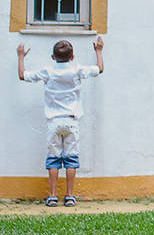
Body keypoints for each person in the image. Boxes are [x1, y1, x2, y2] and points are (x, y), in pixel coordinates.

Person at [17, 36, 105, 206]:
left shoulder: (48, 71)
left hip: (53, 122)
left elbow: (23, 75)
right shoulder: (77, 70)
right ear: (72, 57)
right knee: (71, 159)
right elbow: (99, 69)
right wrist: (99, 51)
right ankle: (70, 196)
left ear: (52, 57)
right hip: (72, 121)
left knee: (54, 159)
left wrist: (21, 56)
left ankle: (52, 196)